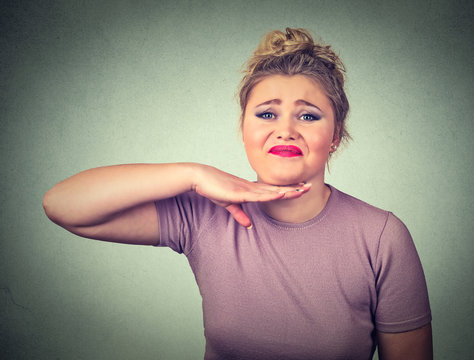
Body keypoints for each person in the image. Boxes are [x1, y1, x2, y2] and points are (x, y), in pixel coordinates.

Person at [43, 28, 432, 359]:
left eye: (309, 115)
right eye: (266, 113)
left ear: (335, 135)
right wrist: (194, 174)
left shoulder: (382, 236)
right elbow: (63, 205)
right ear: (244, 129)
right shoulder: (203, 215)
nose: (286, 130)